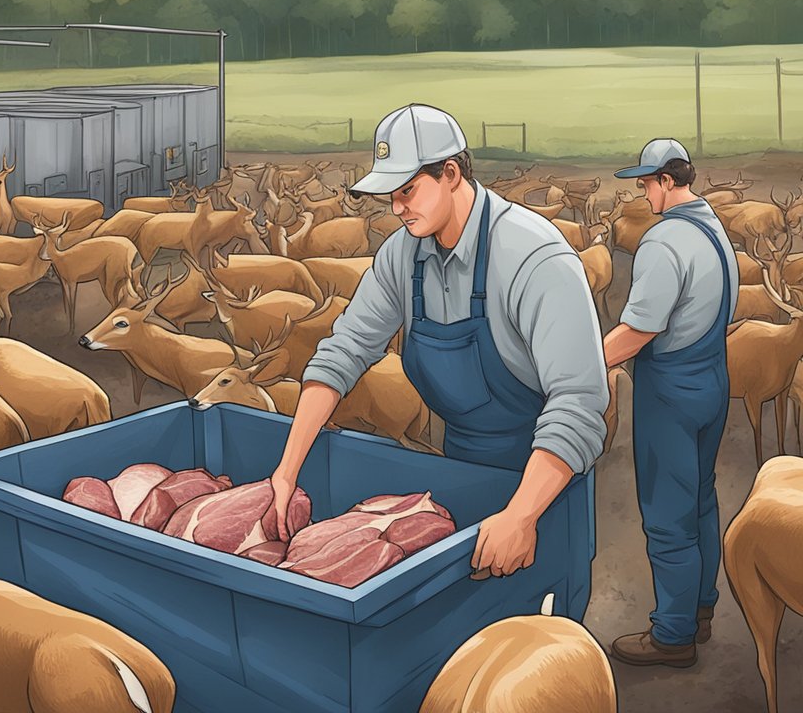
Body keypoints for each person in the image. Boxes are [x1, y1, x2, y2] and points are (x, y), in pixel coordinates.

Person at [267, 103, 609, 584]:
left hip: (543, 489)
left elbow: (578, 404)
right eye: (391, 194)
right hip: (457, 474)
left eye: (408, 190)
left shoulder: (536, 259)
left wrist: (521, 516)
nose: (397, 208)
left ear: (451, 173)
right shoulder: (402, 256)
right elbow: (342, 352)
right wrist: (286, 470)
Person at [603, 139, 736, 668]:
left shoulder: (663, 242)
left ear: (664, 181)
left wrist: (586, 363)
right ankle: (702, 607)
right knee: (701, 498)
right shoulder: (715, 230)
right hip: (713, 382)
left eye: (646, 182)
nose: (642, 192)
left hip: (671, 391)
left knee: (666, 515)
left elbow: (638, 331)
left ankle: (674, 634)